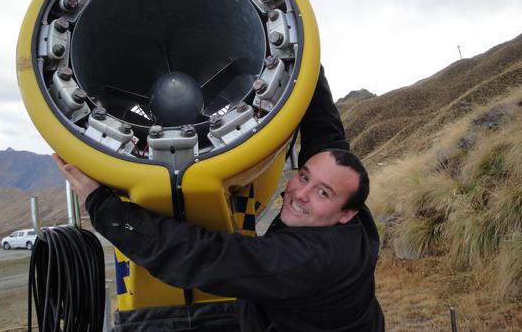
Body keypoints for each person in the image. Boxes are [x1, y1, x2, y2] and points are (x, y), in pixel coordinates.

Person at [54, 67, 385, 331]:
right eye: (304, 175)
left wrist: (100, 203)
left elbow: (201, 255)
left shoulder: (305, 262)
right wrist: (309, 63)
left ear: (346, 214)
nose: (300, 192)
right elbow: (326, 134)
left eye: (321, 193)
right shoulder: (343, 201)